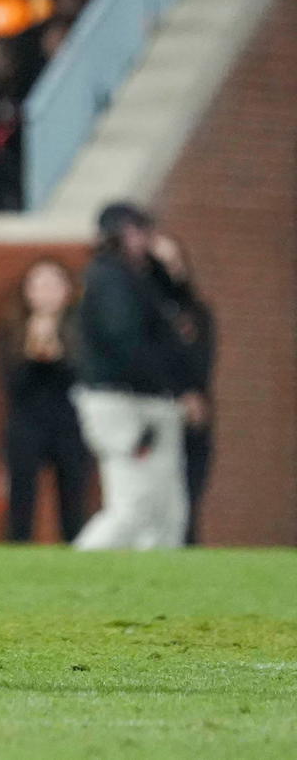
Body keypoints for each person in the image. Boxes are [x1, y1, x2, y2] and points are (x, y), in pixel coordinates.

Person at [72, 203, 191, 551]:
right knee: (134, 505)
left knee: (167, 509)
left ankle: (160, 585)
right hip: (125, 403)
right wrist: (171, 382)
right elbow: (125, 341)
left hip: (144, 399)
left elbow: (182, 307)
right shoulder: (110, 277)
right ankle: (76, 569)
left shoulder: (142, 276)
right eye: (138, 230)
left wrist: (171, 270)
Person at [0, 258, 89, 543]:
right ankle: (16, 556)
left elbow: (82, 376)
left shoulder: (81, 330)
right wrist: (32, 350)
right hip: (26, 423)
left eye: (53, 285)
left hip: (70, 422)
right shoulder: (11, 330)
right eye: (38, 285)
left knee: (74, 503)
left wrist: (58, 351)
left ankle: (76, 556)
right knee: (21, 501)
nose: (46, 293)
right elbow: (12, 384)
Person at [151, 231, 216, 544]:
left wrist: (193, 396)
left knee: (187, 502)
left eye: (174, 262)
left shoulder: (197, 313)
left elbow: (203, 361)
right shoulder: (139, 313)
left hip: (191, 419)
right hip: (151, 414)